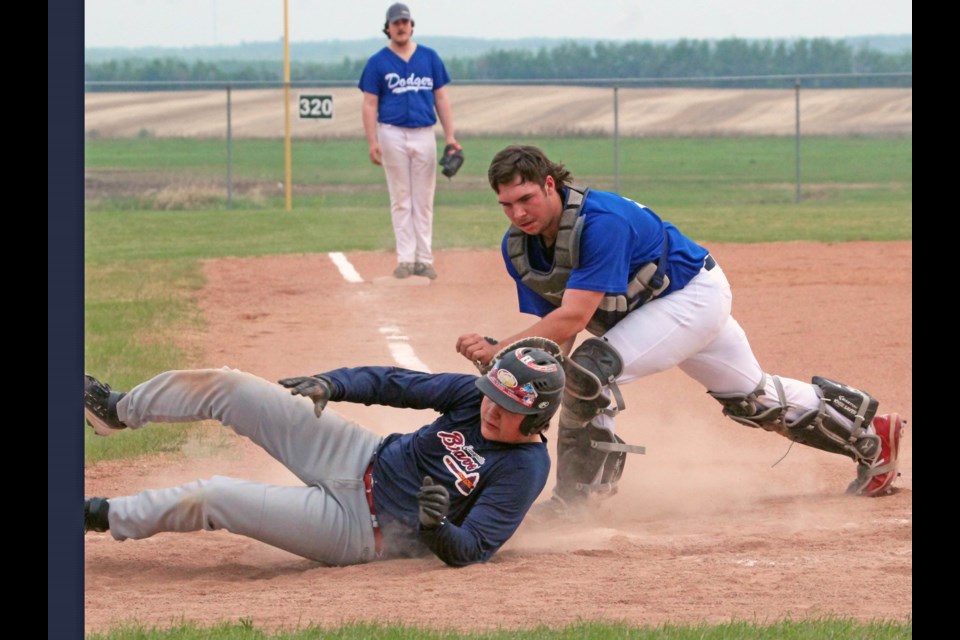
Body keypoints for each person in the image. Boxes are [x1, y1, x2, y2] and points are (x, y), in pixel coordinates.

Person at [455, 144, 905, 521]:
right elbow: (559, 334)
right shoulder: (520, 247)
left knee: (589, 376)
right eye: (507, 205)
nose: (518, 213)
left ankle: (578, 503)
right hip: (654, 314)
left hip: (693, 297)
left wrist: (503, 350)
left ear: (550, 185)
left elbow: (574, 318)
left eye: (527, 199)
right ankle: (870, 436)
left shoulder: (600, 222)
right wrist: (536, 365)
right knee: (754, 399)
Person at [82, 345, 564, 567]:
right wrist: (334, 383)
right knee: (233, 386)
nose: (491, 411)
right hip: (359, 454)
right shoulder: (470, 395)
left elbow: (474, 549)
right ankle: (118, 410)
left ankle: (98, 515)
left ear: (538, 421)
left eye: (508, 410)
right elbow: (394, 384)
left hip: (357, 530)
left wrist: (436, 527)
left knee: (214, 496)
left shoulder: (524, 469)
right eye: (490, 398)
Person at [358, 2, 459, 280]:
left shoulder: (429, 57)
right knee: (401, 197)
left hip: (424, 131)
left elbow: (441, 98)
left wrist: (450, 136)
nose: (401, 26)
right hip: (391, 132)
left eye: (405, 22)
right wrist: (372, 141)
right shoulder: (378, 62)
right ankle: (405, 259)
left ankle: (424, 259)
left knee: (423, 199)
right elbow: (369, 104)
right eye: (395, 23)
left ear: (411, 25)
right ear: (388, 28)